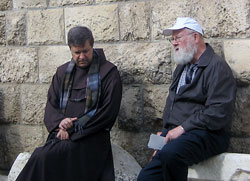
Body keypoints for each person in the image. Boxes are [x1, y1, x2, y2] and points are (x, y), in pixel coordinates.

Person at [16, 26, 122, 181]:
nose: (81, 56)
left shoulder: (108, 73)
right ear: (70, 50)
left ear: (92, 46)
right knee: (41, 155)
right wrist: (61, 123)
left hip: (91, 139)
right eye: (77, 53)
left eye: (85, 51)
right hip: (61, 135)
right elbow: (51, 105)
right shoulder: (62, 72)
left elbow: (108, 113)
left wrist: (72, 129)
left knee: (43, 156)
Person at [137, 17, 236, 181]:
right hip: (177, 134)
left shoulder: (217, 67)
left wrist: (182, 128)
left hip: (207, 134)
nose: (174, 43)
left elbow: (218, 113)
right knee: (146, 177)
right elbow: (172, 105)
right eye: (173, 39)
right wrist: (163, 137)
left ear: (195, 37)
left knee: (171, 154)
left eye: (178, 38)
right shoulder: (182, 67)